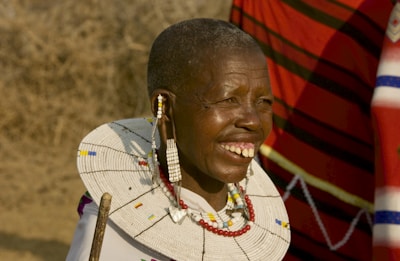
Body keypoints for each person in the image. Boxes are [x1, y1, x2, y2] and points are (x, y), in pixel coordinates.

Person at [66, 18, 290, 261]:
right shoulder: (115, 236)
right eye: (228, 100)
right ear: (165, 109)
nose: (253, 121)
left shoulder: (244, 216)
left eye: (263, 102)